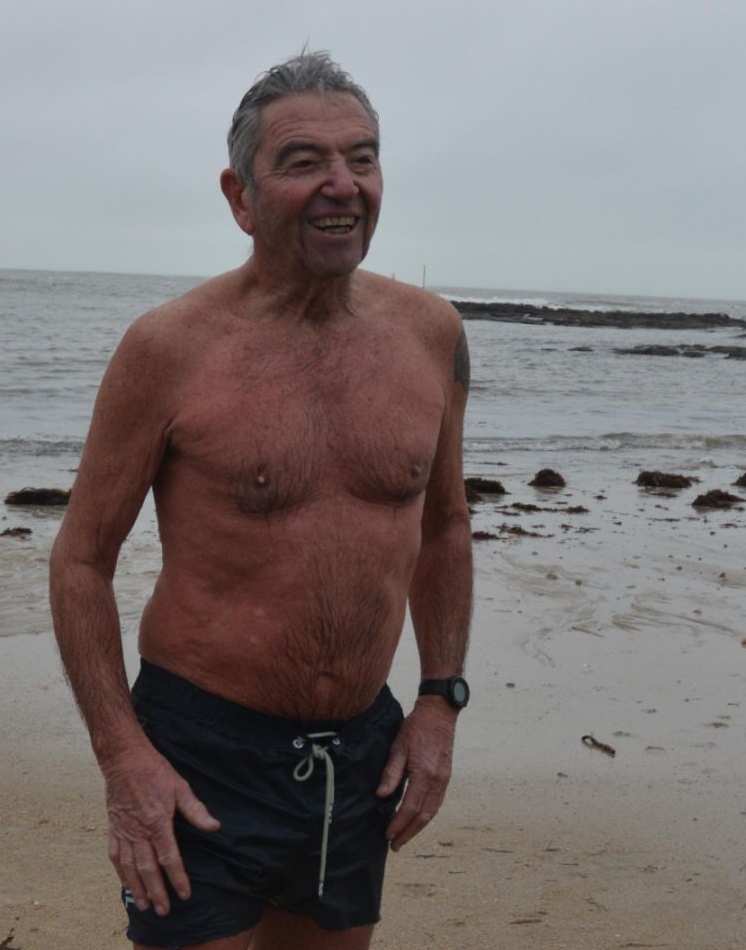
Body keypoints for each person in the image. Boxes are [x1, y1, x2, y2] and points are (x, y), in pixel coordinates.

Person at [49, 50, 473, 950]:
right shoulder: (169, 349)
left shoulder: (431, 334)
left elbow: (443, 528)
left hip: (358, 756)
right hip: (201, 756)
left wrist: (439, 701)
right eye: (304, 162)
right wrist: (123, 757)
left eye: (362, 158)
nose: (342, 185)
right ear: (239, 197)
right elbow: (82, 560)